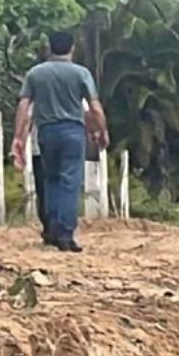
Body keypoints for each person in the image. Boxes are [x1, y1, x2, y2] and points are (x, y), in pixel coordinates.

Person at [11, 31, 109, 253]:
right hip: (73, 131)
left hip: (46, 131)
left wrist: (18, 137)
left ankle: (53, 228)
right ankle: (65, 233)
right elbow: (93, 107)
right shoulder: (81, 73)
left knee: (51, 180)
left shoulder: (35, 74)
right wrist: (101, 130)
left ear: (49, 48)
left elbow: (24, 107)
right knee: (70, 182)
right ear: (72, 48)